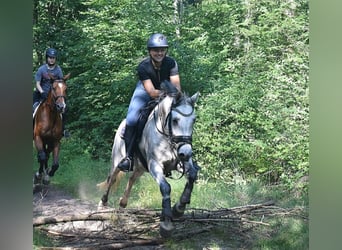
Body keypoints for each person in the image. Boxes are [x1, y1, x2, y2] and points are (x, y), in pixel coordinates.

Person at [117, 33, 181, 172]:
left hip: (167, 91)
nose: (159, 53)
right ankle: (128, 158)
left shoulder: (171, 63)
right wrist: (169, 93)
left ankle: (182, 157)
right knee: (132, 120)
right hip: (145, 92)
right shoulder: (143, 67)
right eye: (156, 50)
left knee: (183, 116)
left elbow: (177, 88)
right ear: (149, 51)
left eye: (162, 50)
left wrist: (173, 94)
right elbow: (151, 92)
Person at [33, 48, 70, 138]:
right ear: (47, 58)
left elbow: (61, 82)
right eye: (50, 57)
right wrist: (42, 92)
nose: (51, 59)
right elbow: (37, 84)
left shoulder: (58, 70)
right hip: (41, 94)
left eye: (53, 57)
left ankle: (63, 130)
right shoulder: (42, 69)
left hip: (54, 96)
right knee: (32, 108)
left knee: (65, 108)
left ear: (55, 59)